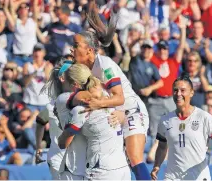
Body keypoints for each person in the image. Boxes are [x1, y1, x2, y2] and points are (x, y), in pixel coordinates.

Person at [68, 0, 151, 179]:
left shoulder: (104, 65)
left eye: (75, 46)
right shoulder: (83, 69)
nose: (71, 48)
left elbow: (119, 98)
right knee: (120, 163)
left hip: (131, 110)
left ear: (89, 50)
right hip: (113, 113)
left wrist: (97, 103)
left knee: (134, 158)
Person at [58, 63, 130, 180]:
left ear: (75, 84)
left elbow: (62, 143)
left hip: (97, 169)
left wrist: (120, 114)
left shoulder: (80, 110)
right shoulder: (108, 98)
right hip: (121, 167)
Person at [151, 74, 212, 180]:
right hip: (172, 176)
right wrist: (156, 166)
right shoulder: (165, 120)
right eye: (175, 90)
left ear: (192, 93)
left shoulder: (204, 117)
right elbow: (162, 147)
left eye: (183, 90)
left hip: (198, 176)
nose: (178, 94)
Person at [35, 102, 65, 180]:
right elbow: (40, 120)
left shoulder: (86, 105)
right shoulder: (52, 106)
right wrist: (38, 148)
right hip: (58, 157)